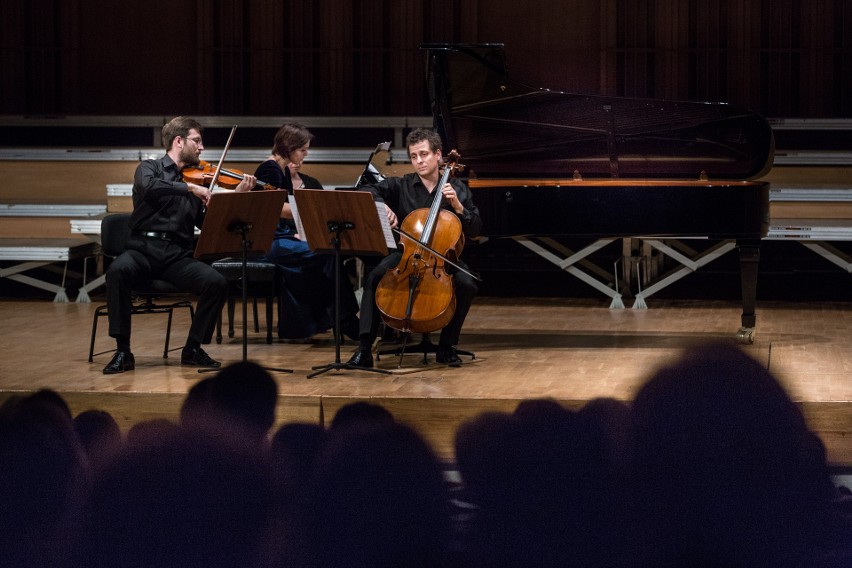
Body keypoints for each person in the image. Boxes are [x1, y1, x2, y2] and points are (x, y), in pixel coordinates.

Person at [102, 116, 256, 374]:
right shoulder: (149, 168)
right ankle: (123, 351)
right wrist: (190, 189)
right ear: (178, 141)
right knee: (117, 272)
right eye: (197, 141)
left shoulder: (199, 180)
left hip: (176, 256)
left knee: (216, 283)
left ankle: (193, 348)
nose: (201, 147)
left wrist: (235, 200)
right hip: (142, 249)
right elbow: (148, 187)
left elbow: (206, 224)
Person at [347, 127, 482, 368]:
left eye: (423, 154)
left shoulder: (457, 188)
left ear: (438, 155)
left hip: (442, 258)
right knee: (375, 276)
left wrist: (459, 207)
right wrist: (382, 205)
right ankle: (364, 348)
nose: (418, 161)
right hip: (406, 255)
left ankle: (446, 346)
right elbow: (364, 189)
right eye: (413, 156)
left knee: (467, 283)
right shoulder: (402, 185)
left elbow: (475, 229)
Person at [253, 123, 359, 342]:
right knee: (328, 251)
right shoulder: (269, 169)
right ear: (289, 147)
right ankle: (345, 320)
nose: (305, 155)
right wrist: (314, 209)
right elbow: (273, 209)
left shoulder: (279, 169)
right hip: (269, 242)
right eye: (302, 150)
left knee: (327, 252)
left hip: (281, 238)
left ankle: (334, 319)